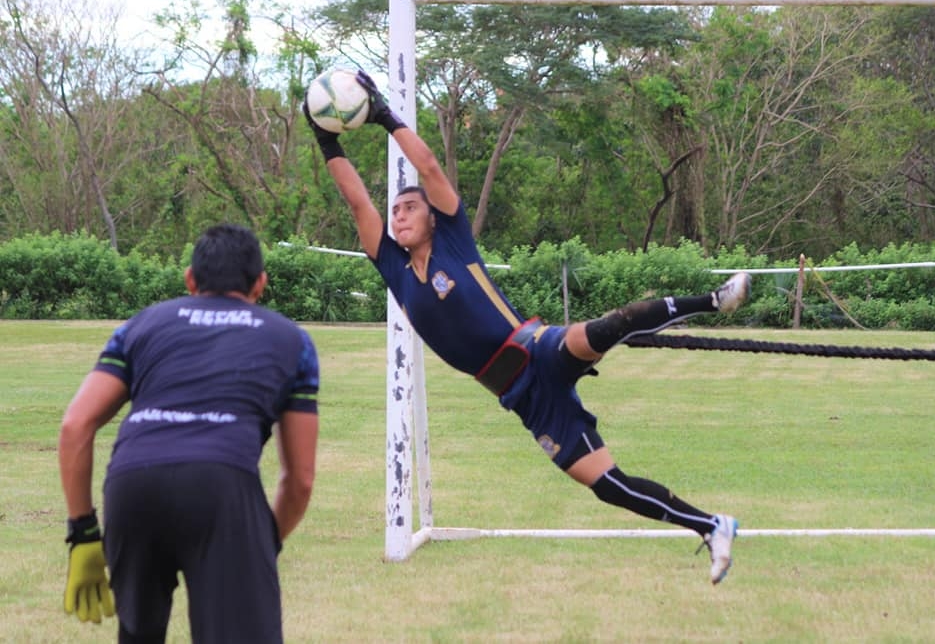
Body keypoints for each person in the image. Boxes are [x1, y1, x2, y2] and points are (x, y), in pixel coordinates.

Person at [304, 70, 749, 585]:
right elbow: (359, 201)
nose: (399, 216)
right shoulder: (392, 267)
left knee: (607, 327)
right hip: (523, 396)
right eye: (396, 211)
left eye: (409, 208)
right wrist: (324, 139)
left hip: (537, 348)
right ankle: (711, 526)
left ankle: (715, 300)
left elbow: (425, 165)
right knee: (605, 484)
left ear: (433, 217)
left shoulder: (453, 238)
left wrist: (382, 116)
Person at [58, 223, 320, 641]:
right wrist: (263, 543)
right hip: (220, 486)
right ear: (261, 284)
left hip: (132, 484)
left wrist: (83, 533)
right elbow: (300, 479)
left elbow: (76, 425)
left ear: (190, 280)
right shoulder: (292, 341)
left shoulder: (142, 325)